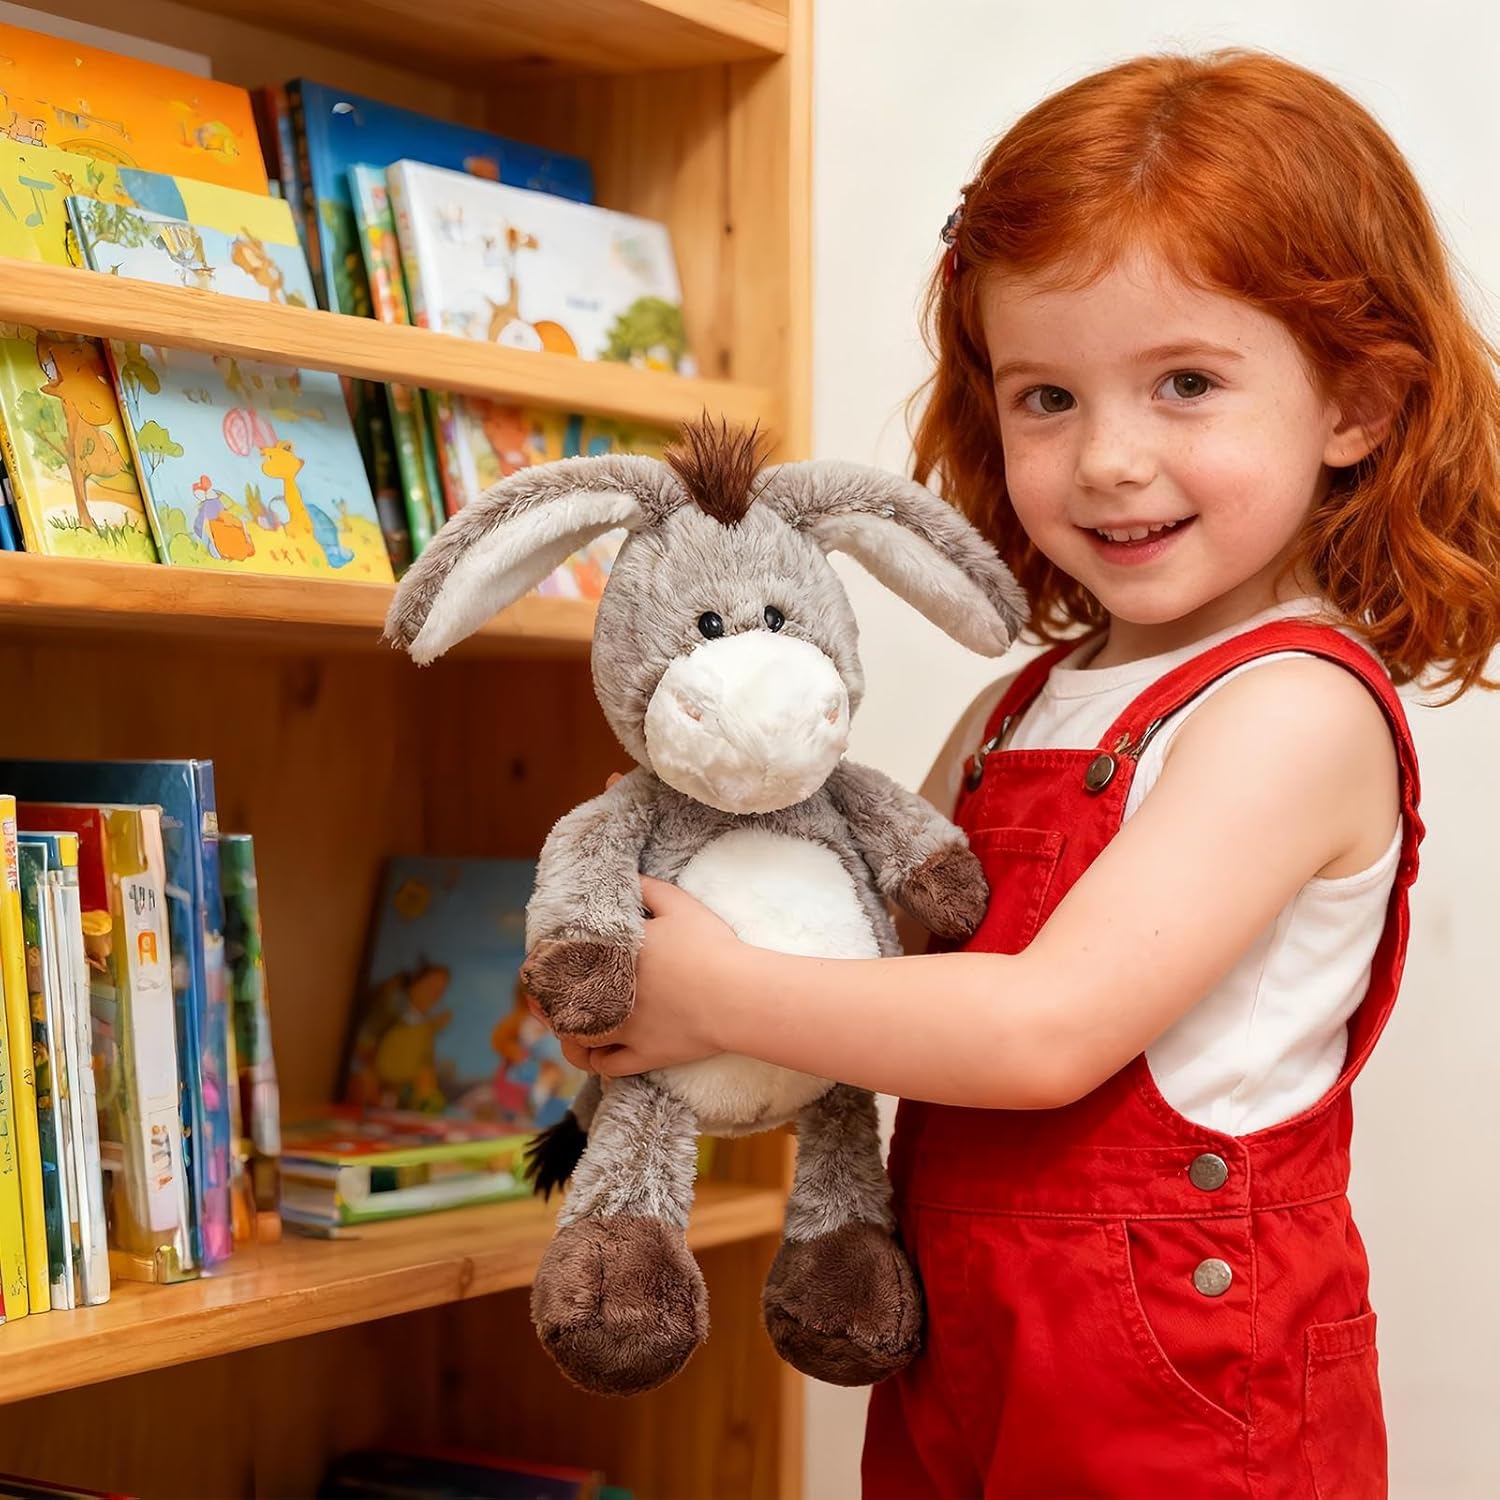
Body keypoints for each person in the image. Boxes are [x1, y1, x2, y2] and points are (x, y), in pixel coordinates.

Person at [554, 50, 1500, 1496]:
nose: (1108, 458)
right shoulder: (1021, 706)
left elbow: (1044, 1032)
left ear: (1355, 405)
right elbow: (879, 964)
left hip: (1186, 1383)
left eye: (1187, 383)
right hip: (965, 1336)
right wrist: (656, 962)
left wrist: (723, 990)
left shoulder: (1295, 709)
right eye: (1048, 395)